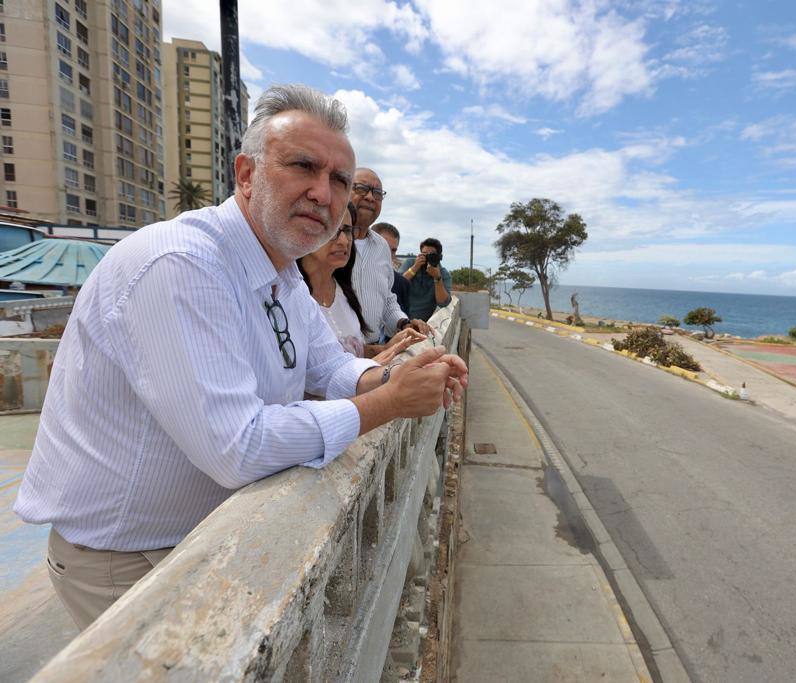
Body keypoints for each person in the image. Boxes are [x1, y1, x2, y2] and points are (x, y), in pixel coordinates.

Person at [13, 84, 467, 630]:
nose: (323, 194)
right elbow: (238, 445)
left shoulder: (281, 268)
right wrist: (390, 403)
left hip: (197, 536)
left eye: (339, 180)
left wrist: (389, 373)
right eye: (303, 166)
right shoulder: (180, 264)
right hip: (127, 558)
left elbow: (327, 366)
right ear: (246, 174)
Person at [298, 204, 423, 363]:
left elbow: (354, 349)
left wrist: (389, 346)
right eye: (333, 228)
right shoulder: (288, 295)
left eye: (348, 230)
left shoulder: (343, 292)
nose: (344, 241)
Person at [350, 168, 428, 343]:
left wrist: (404, 323)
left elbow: (387, 300)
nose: (370, 197)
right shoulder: (325, 242)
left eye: (377, 193)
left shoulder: (381, 247)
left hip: (373, 351)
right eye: (361, 188)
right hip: (329, 356)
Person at [401, 238, 452, 322]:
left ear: (439, 257)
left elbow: (443, 303)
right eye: (424, 254)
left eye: (431, 255)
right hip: (401, 317)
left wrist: (437, 278)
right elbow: (397, 285)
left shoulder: (443, 274)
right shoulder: (410, 263)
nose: (428, 258)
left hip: (423, 322)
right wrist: (414, 268)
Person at [371, 221, 411, 317]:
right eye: (384, 247)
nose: (388, 254)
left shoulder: (402, 285)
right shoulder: (347, 278)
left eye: (393, 250)